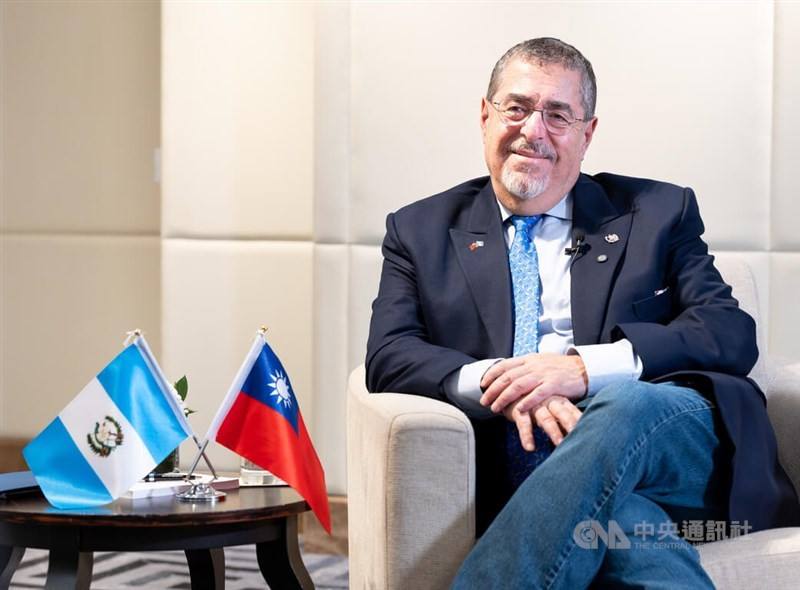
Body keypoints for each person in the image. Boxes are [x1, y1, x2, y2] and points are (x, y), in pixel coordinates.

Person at [365, 37, 799, 588]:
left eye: (557, 115)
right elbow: (389, 355)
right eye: (516, 108)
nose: (533, 130)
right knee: (622, 526)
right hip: (533, 453)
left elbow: (729, 333)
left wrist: (581, 371)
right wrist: (510, 380)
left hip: (673, 441)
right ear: (484, 115)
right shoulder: (419, 230)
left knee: (618, 402)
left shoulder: (658, 212)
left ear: (587, 133)